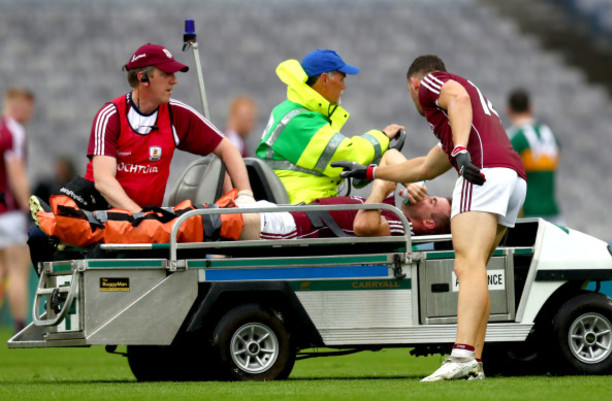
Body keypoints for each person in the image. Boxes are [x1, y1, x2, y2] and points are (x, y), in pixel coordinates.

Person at [335, 55, 527, 381]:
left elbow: (458, 99)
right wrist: (371, 170)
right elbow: (424, 167)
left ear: (414, 84)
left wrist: (462, 150)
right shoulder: (461, 122)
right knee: (476, 267)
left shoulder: (429, 85)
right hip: (513, 179)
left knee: (465, 266)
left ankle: (462, 354)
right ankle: (475, 362)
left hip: (483, 172)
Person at [31, 149, 451, 246]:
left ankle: (69, 226)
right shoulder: (400, 204)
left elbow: (363, 224)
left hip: (280, 228)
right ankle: (68, 223)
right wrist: (414, 180)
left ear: (428, 222)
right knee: (171, 215)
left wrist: (383, 186)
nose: (430, 197)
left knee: (170, 228)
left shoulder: (398, 226)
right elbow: (392, 152)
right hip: (276, 215)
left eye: (435, 203)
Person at [83, 43, 254, 212]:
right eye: (166, 74)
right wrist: (141, 217)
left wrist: (246, 196)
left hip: (147, 224)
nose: (174, 80)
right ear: (143, 78)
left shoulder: (176, 114)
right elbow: (103, 181)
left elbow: (228, 149)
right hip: (104, 220)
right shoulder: (110, 115)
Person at [256, 49, 405, 204]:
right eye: (341, 79)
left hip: (304, 203)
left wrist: (377, 156)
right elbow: (347, 155)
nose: (344, 86)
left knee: (370, 214)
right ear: (324, 79)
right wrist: (382, 136)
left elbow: (345, 165)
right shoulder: (299, 120)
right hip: (303, 205)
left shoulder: (297, 112)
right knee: (371, 214)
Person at [0, 88, 34, 333]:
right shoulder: (14, 132)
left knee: (1, 268)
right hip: (9, 211)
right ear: (19, 105)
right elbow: (16, 174)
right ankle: (20, 325)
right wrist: (28, 208)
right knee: (17, 270)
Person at [506, 88, 563, 224]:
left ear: (509, 110)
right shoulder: (549, 134)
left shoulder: (513, 138)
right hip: (552, 211)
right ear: (530, 108)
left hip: (527, 214)